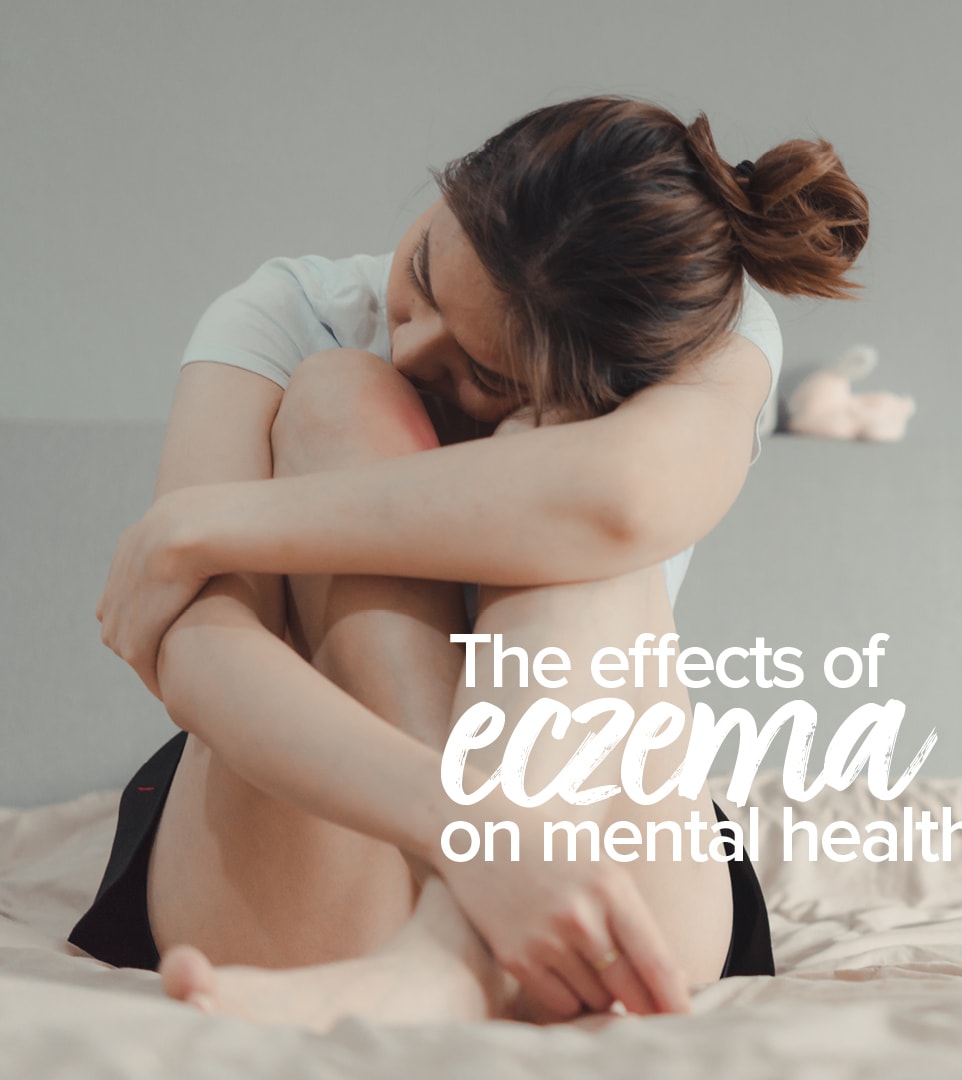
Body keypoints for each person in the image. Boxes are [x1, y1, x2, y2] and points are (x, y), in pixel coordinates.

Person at [73, 95, 868, 1030]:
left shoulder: (703, 336)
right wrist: (473, 835)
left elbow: (617, 502)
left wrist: (207, 525)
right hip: (331, 862)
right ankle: (453, 937)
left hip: (605, 883)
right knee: (341, 393)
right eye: (422, 275)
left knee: (572, 483)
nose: (412, 346)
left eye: (482, 377)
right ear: (456, 179)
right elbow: (197, 650)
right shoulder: (288, 313)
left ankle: (443, 961)